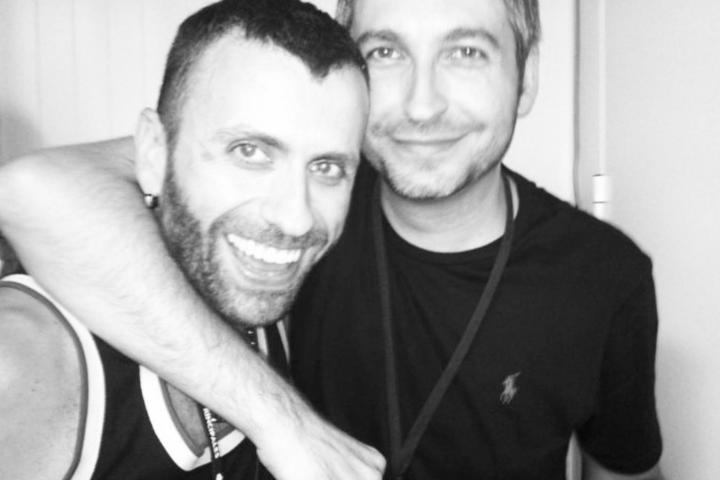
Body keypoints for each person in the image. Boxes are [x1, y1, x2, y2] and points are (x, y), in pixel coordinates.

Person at [0, 0, 663, 478]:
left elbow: (624, 468)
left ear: (528, 75)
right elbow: (32, 190)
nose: (422, 105)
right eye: (385, 52)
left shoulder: (605, 275)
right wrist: (284, 423)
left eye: (466, 52)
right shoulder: (304, 211)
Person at [0, 0, 382, 479]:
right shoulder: (24, 361)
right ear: (153, 153)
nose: (296, 219)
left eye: (326, 167)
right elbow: (26, 186)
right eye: (250, 151)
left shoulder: (262, 289)